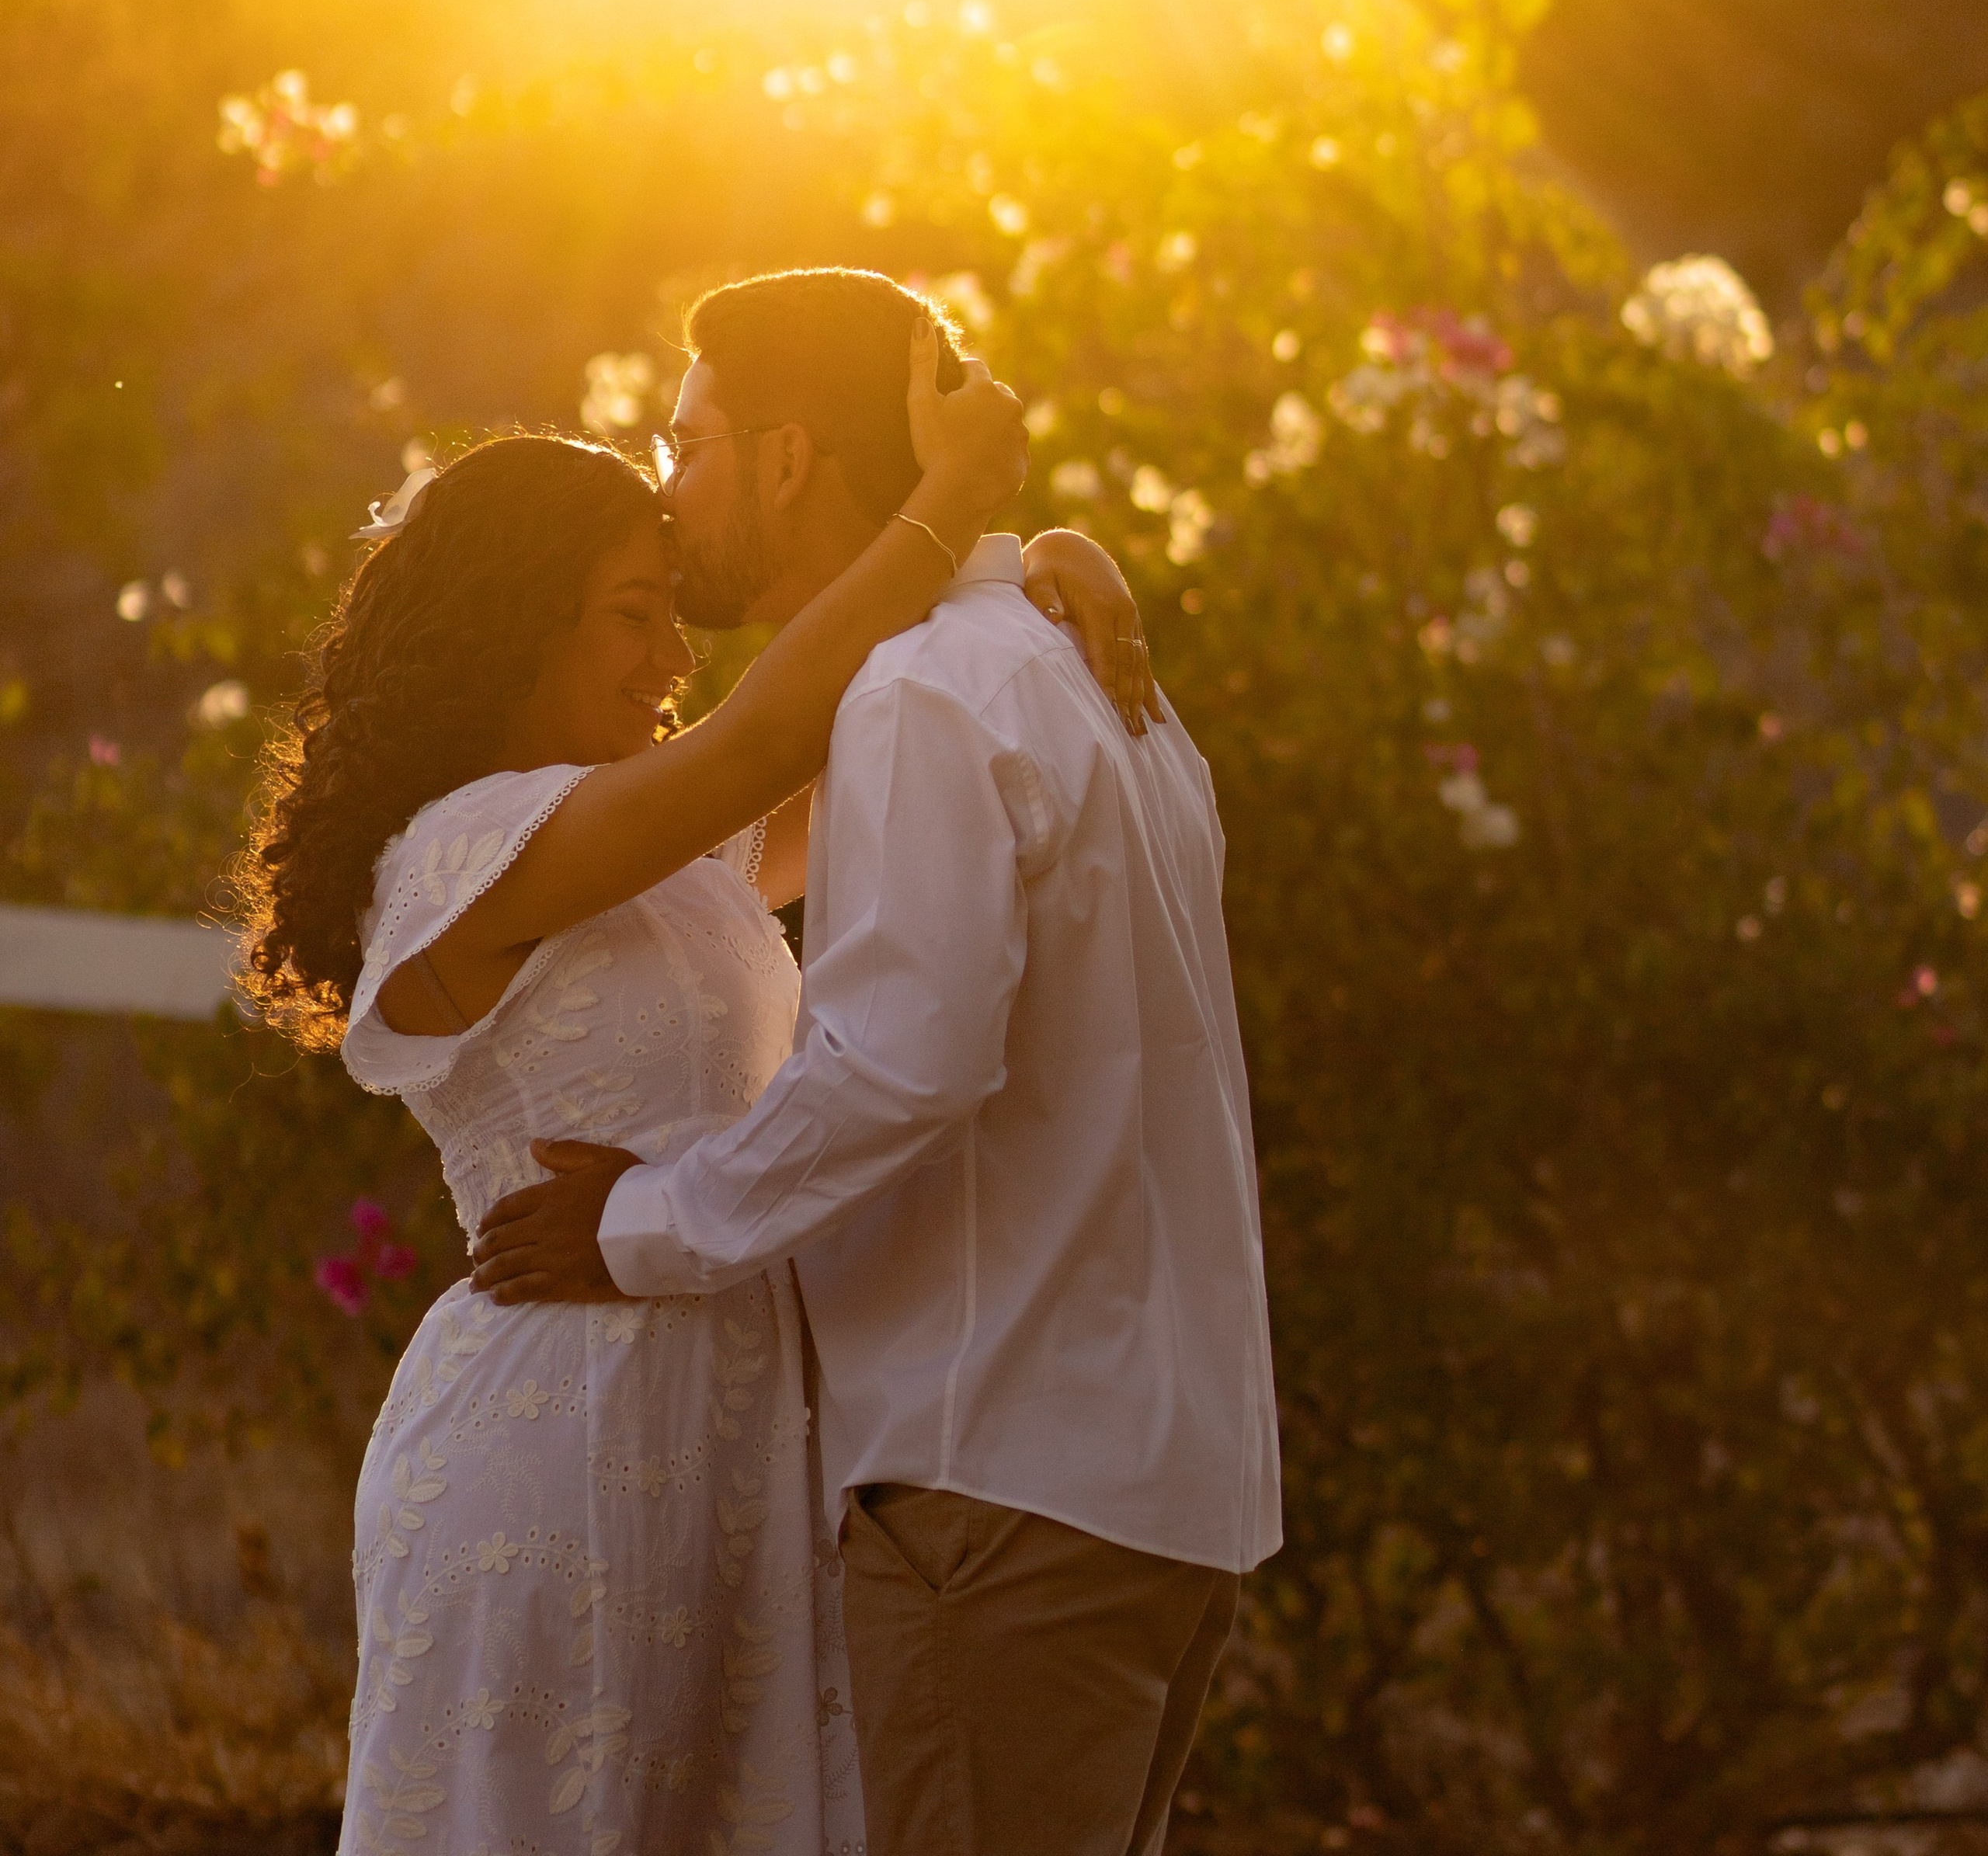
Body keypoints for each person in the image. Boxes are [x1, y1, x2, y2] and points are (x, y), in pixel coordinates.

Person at [232, 328, 1152, 1856]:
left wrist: (1021, 567)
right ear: (509, 629)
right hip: (558, 1430)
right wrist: (956, 492)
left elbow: (871, 730)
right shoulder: (462, 853)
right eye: (634, 618)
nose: (674, 660)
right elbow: (771, 732)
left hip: (733, 1441)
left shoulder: (664, 854)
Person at [471, 269, 1282, 1856]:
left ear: (786, 458)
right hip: (1158, 1486)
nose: (666, 486)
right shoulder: (1090, 676)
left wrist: (639, 1230)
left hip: (1003, 1482)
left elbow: (906, 1061)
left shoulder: (922, 696)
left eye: (686, 441)